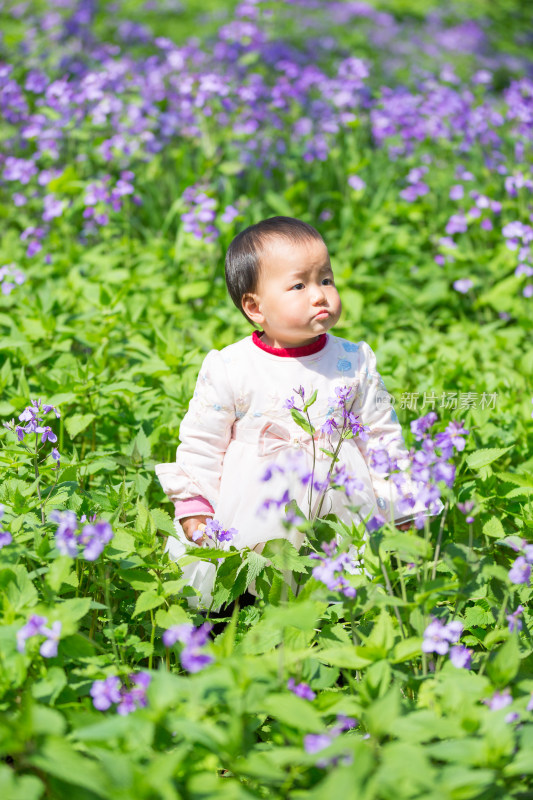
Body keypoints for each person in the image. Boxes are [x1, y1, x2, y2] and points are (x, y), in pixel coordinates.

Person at [155, 216, 429, 608]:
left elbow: (382, 435)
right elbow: (203, 442)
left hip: (339, 504)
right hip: (256, 508)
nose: (319, 295)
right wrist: (194, 505)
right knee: (251, 580)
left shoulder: (353, 361)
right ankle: (245, 622)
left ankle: (335, 634)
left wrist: (401, 503)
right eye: (299, 285)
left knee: (342, 586)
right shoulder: (232, 367)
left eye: (326, 280)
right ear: (255, 307)